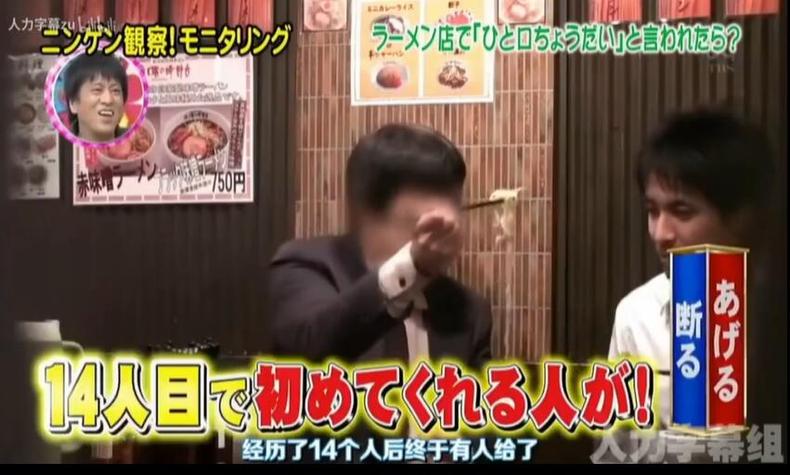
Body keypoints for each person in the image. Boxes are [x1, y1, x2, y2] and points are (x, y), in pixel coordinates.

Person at [269, 123, 492, 369]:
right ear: (368, 213)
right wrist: (412, 267)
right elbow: (306, 351)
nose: (448, 225)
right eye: (423, 217)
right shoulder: (307, 266)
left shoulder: (469, 311)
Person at [607, 109, 775, 428]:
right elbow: (618, 445)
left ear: (742, 218)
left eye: (682, 211)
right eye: (653, 211)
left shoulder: (771, 314)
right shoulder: (638, 316)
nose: (660, 234)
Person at [64, 53, 128, 143]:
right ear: (73, 103)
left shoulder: (139, 141)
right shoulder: (60, 146)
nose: (108, 100)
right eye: (97, 90)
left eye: (115, 90)